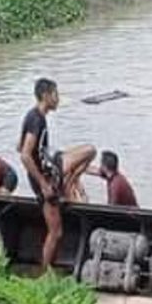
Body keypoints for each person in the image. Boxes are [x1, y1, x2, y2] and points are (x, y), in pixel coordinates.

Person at [17, 77, 97, 270]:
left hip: (52, 166)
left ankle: (68, 183)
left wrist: (46, 155)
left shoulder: (35, 116)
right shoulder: (36, 119)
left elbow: (19, 146)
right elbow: (25, 155)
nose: (58, 98)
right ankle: (44, 273)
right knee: (56, 232)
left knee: (90, 150)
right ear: (46, 95)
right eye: (56, 94)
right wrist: (44, 185)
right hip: (46, 179)